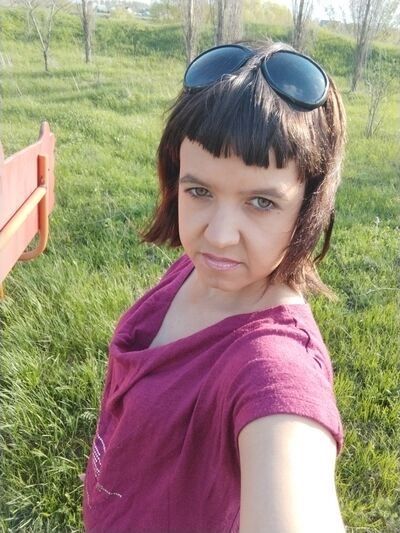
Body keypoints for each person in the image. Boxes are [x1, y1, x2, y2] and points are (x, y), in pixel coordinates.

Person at [82, 40, 347, 533]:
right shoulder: (195, 269)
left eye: (262, 202)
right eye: (200, 191)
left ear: (308, 207)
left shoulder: (275, 367)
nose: (219, 237)